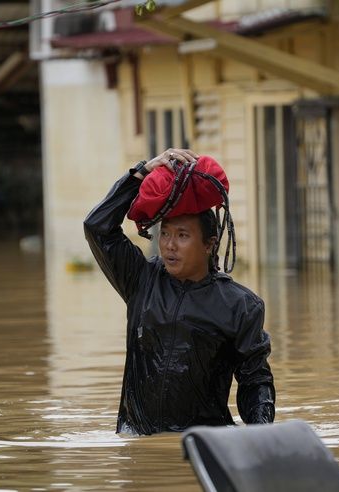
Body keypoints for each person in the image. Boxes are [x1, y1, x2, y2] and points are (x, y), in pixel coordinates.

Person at [84, 148, 275, 435]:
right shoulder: (141, 280)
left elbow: (255, 382)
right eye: (165, 233)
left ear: (209, 244)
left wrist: (262, 435)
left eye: (182, 236)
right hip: (137, 442)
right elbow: (97, 227)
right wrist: (140, 174)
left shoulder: (241, 306)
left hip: (202, 443)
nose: (169, 245)